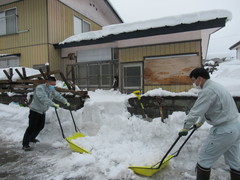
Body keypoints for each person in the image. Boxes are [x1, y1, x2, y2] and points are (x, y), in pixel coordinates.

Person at [178, 68, 240, 180]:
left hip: (224, 130)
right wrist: (200, 122)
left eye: (194, 80)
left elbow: (196, 111)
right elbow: (207, 108)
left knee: (204, 159)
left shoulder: (208, 91)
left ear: (200, 79)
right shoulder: (217, 87)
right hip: (235, 127)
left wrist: (185, 127)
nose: (194, 84)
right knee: (235, 161)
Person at [22, 76, 70, 151]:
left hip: (42, 111)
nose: (53, 86)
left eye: (54, 85)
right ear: (47, 82)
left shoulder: (51, 89)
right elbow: (43, 98)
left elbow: (57, 95)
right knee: (31, 127)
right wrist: (52, 104)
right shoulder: (40, 88)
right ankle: (25, 144)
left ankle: (32, 138)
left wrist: (65, 101)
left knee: (40, 126)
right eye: (52, 84)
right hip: (35, 110)